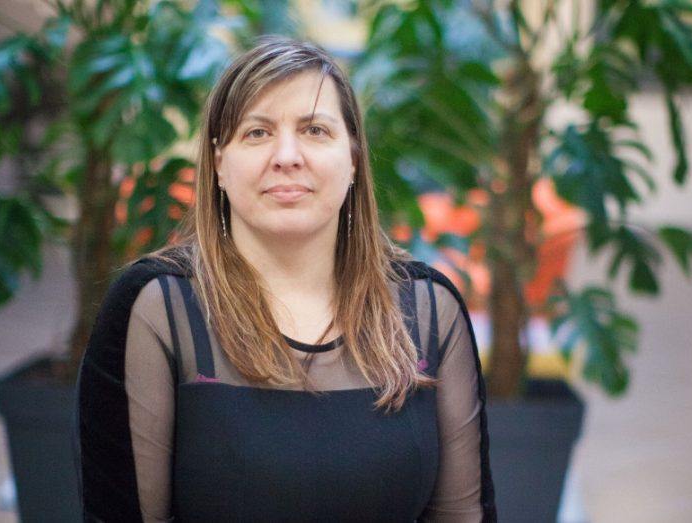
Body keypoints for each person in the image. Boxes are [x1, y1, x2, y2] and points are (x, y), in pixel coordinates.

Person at [75, 35, 496, 522]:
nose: (287, 156)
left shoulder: (428, 310)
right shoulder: (157, 309)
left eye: (315, 130)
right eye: (257, 133)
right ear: (218, 164)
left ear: (355, 159)